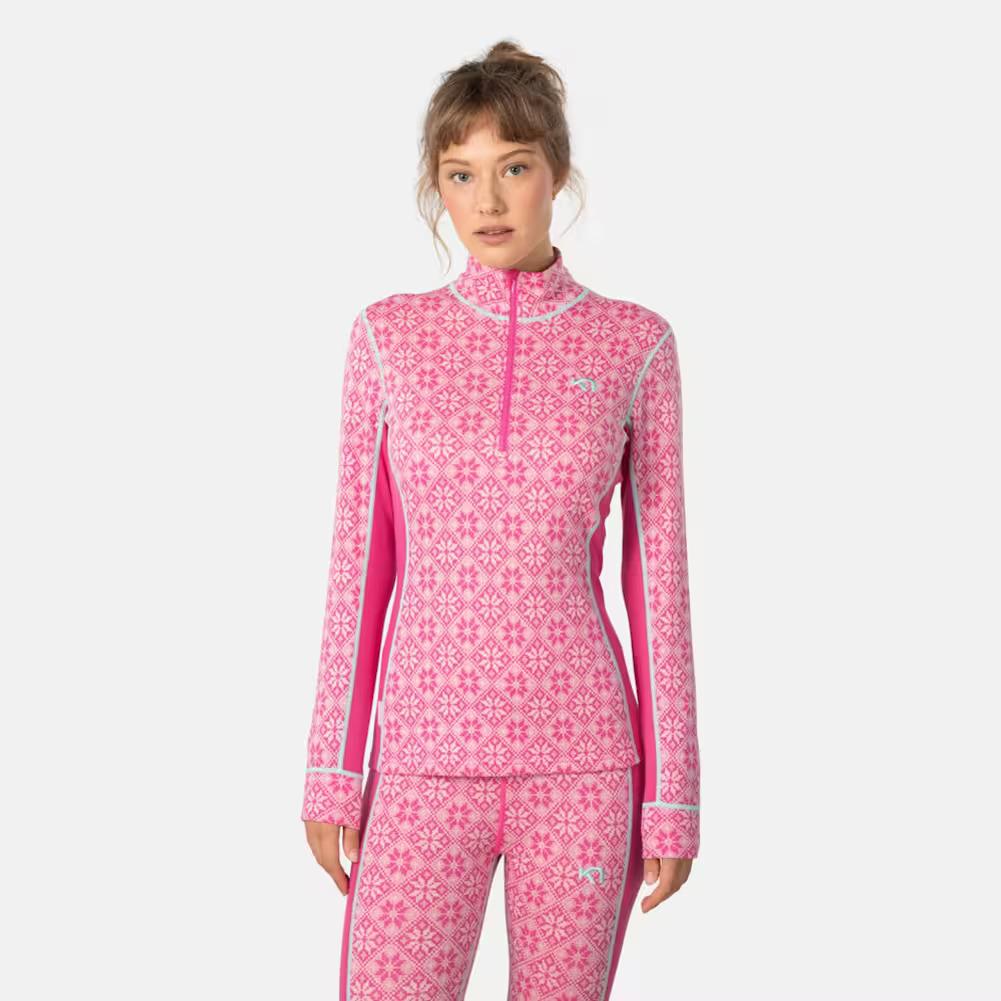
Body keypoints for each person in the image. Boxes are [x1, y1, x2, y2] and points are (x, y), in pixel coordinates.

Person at [301, 38, 701, 1001]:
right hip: (422, 760)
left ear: (555, 172)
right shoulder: (388, 338)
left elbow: (658, 584)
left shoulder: (634, 345)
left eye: (513, 168)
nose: (486, 200)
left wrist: (672, 796)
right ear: (436, 185)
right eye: (460, 173)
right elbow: (359, 567)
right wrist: (331, 770)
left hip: (583, 767)